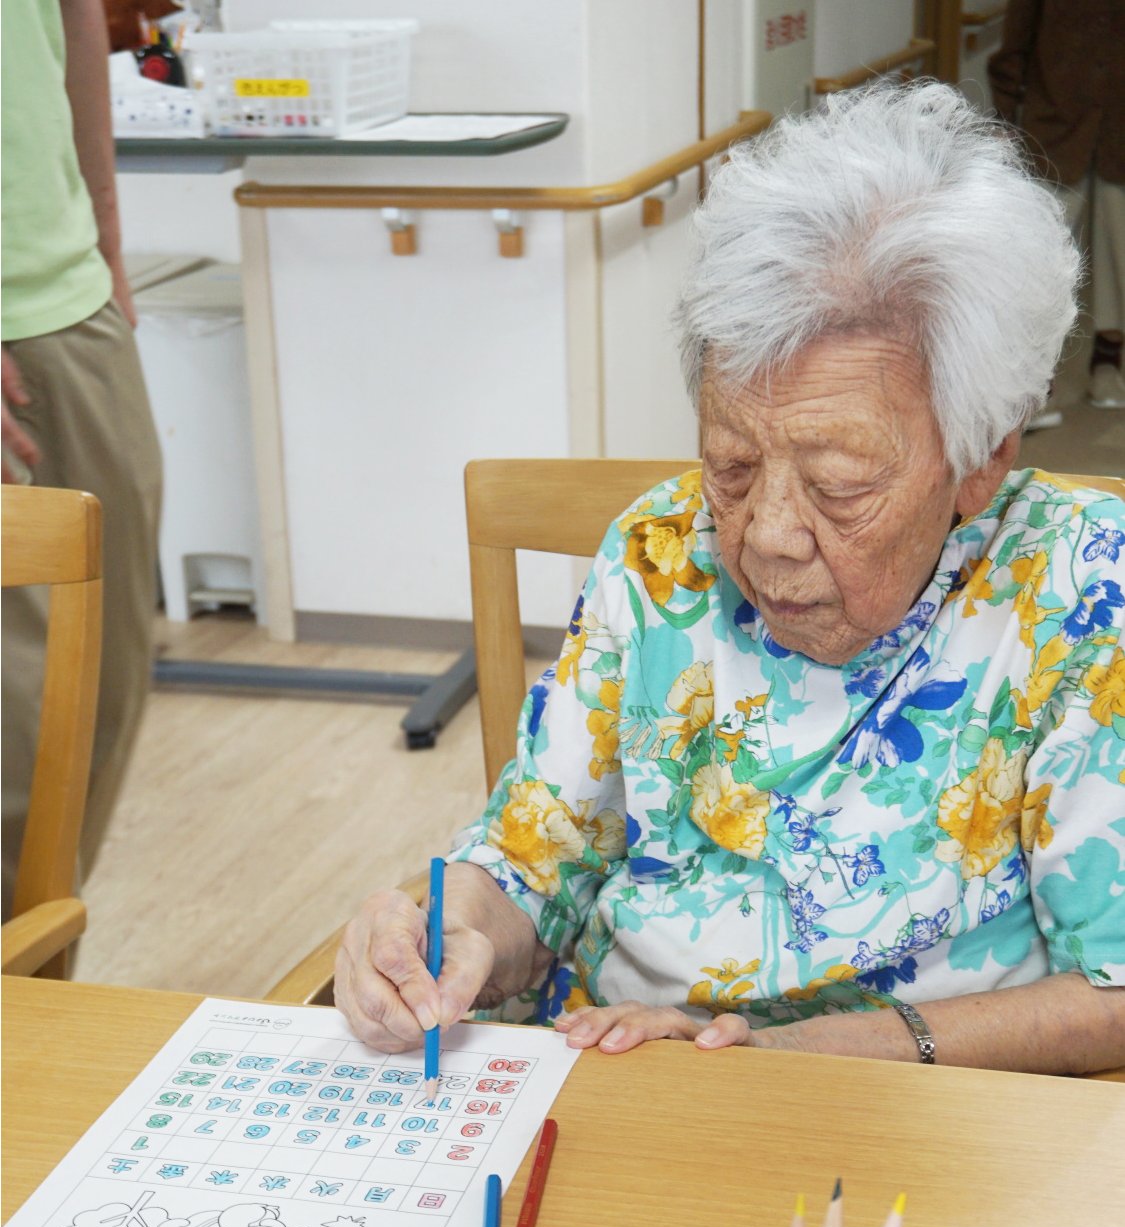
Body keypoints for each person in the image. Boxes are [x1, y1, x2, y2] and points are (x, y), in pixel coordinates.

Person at [336, 82, 1125, 1075]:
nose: (768, 537)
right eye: (732, 467)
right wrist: (449, 934)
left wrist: (801, 1055)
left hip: (920, 1126)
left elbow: (1116, 986)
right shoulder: (660, 554)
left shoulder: (1082, 593)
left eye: (839, 487)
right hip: (623, 1079)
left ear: (985, 456)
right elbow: (538, 860)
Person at [1, 0, 162, 918]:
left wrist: (105, 236)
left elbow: (75, 19)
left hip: (67, 304)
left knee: (88, 711)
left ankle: (32, 1012)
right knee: (17, 746)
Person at [989, 0, 1125, 411]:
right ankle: (1027, 385)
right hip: (1053, 129)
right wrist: (1004, 121)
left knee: (1119, 253)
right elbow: (1014, 49)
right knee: (1034, 265)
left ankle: (1108, 361)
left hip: (1120, 133)